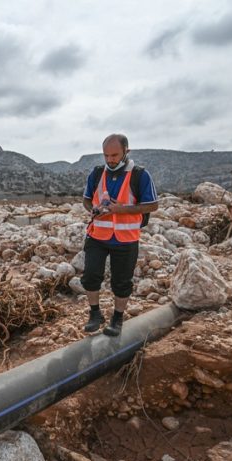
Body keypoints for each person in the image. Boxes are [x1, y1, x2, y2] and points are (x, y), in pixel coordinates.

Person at [80, 134, 158, 336]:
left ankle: (117, 318)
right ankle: (95, 314)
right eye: (106, 155)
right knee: (90, 276)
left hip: (126, 238)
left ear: (126, 152)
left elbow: (153, 205)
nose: (110, 160)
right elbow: (86, 200)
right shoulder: (97, 174)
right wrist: (93, 208)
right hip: (97, 235)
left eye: (114, 155)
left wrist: (121, 210)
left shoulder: (140, 175)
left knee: (122, 282)